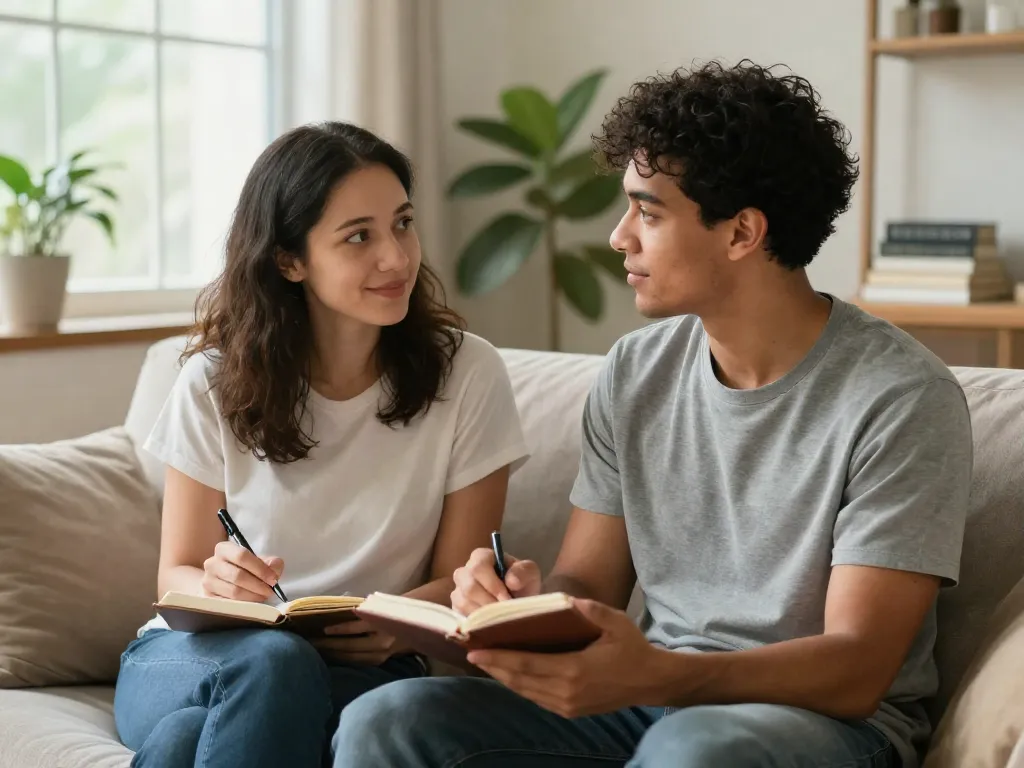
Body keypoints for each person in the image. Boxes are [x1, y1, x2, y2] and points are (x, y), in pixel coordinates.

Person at [332, 60, 973, 768]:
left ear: (741, 233)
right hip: (650, 704)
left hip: (821, 727)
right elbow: (590, 584)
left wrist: (662, 676)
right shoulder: (636, 371)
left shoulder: (902, 398)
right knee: (390, 719)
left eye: (648, 211)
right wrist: (524, 605)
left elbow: (857, 670)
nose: (619, 237)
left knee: (691, 748)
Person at [112, 121, 529, 768]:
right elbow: (177, 579)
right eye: (359, 236)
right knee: (273, 662)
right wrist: (218, 583)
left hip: (366, 669)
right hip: (187, 661)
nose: (396, 257)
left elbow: (461, 581)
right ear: (289, 259)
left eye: (403, 223)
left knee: (183, 743)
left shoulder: (468, 374)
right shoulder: (211, 382)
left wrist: (384, 618)